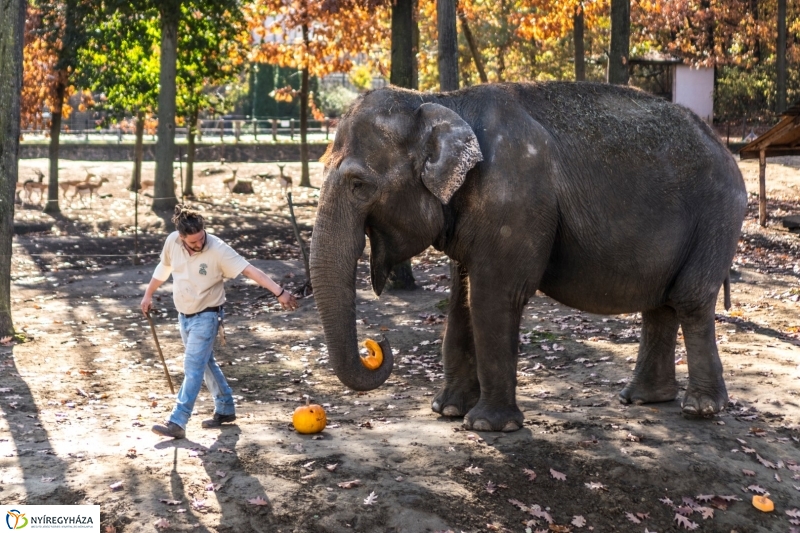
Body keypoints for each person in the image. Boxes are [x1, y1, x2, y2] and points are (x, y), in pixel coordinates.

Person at [141, 205, 297, 439]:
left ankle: (178, 420)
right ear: (181, 237)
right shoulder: (172, 241)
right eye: (192, 241)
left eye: (201, 237)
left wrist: (279, 292)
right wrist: (148, 293)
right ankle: (225, 408)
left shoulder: (218, 249)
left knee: (192, 367)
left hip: (207, 315)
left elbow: (249, 270)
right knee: (204, 363)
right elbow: (164, 267)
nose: (199, 244)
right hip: (183, 315)